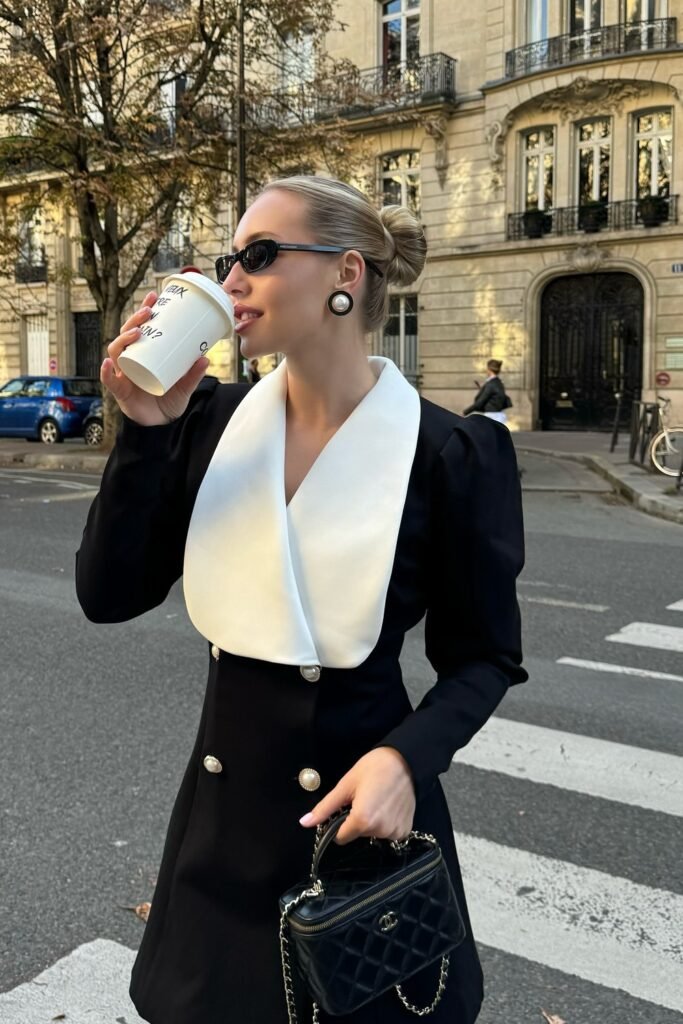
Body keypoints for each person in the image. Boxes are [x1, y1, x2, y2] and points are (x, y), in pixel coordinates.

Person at [75, 175, 527, 1024]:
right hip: (221, 827)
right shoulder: (208, 419)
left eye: (257, 255)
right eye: (226, 259)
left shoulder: (450, 452)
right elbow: (107, 595)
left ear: (344, 274)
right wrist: (143, 430)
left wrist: (405, 761)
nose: (231, 280)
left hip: (358, 829)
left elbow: (484, 659)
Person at [464, 358, 511, 424]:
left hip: (491, 417)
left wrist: (465, 412)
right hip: (499, 416)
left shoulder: (491, 384)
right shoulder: (499, 382)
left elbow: (479, 403)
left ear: (489, 370)